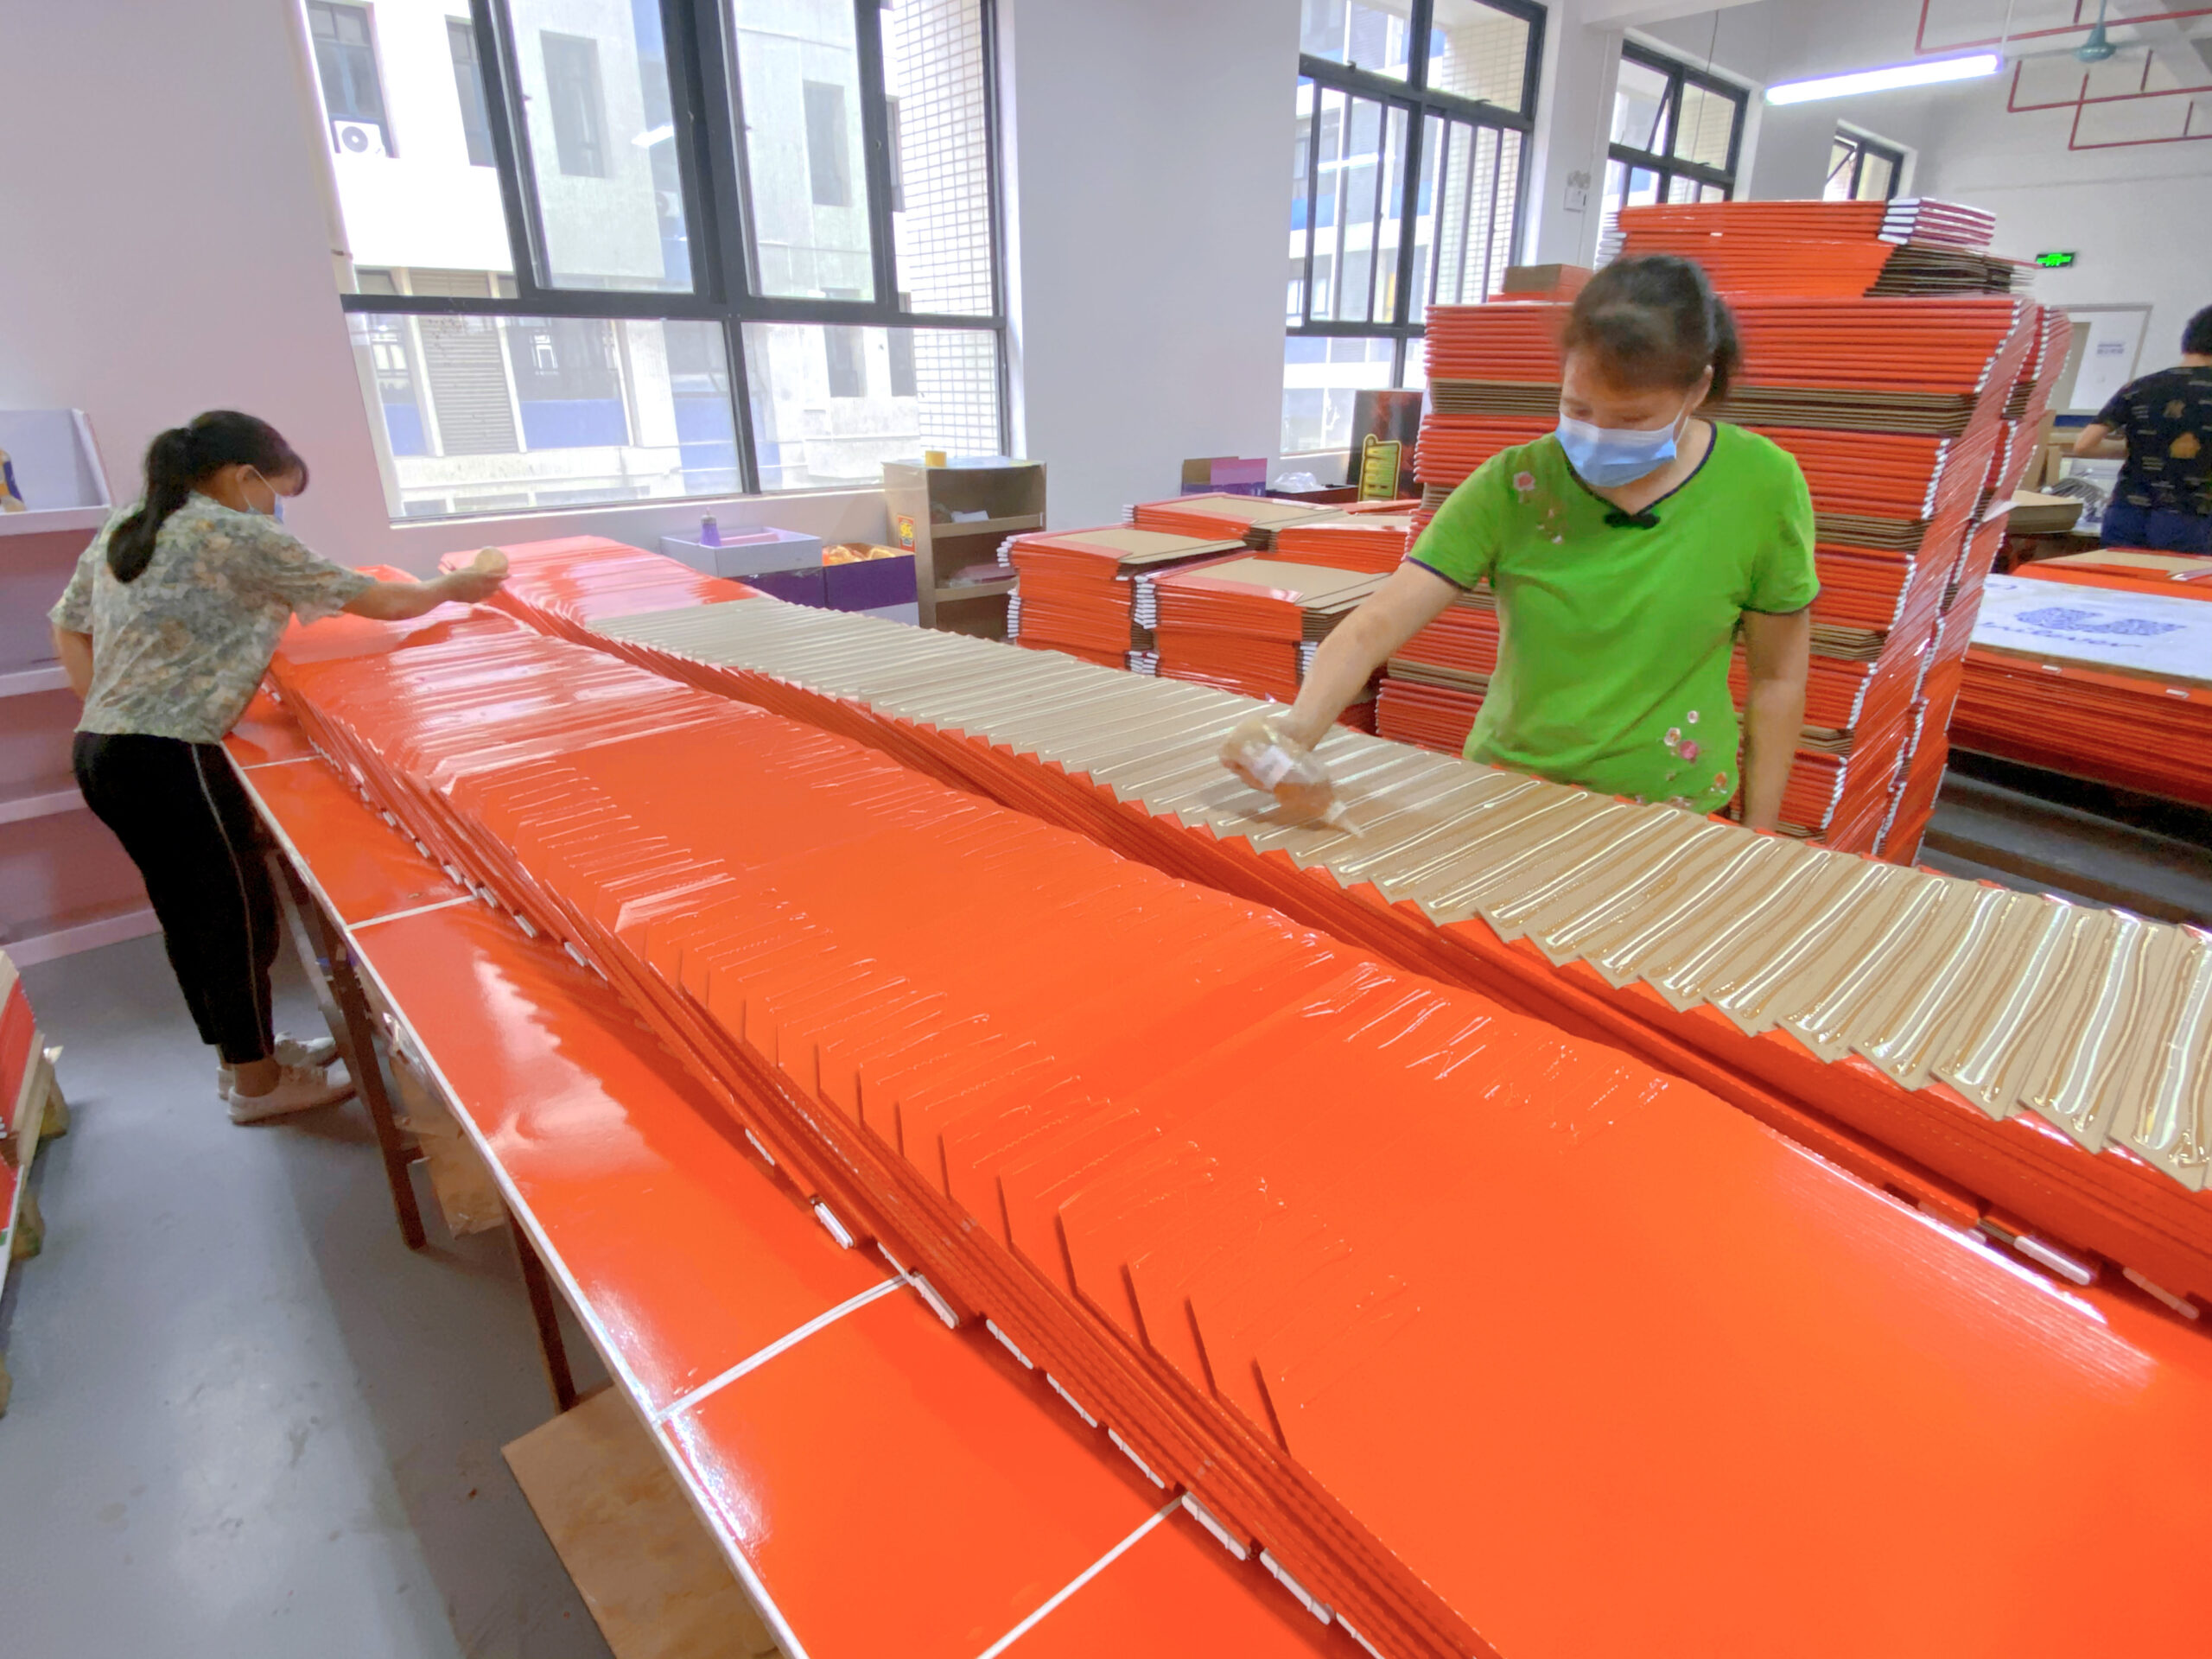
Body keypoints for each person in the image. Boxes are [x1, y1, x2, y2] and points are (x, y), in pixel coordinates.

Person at [1224, 255, 1815, 831]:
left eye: (1633, 419)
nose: (1600, 433)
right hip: (1512, 795)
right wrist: (1294, 736)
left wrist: (1759, 838)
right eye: (1578, 408)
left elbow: (1778, 679)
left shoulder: (1761, 486)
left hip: (1676, 812)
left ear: (1698, 389)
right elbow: (1375, 623)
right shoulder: (1517, 486)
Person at [48, 410, 506, 1123]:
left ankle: (245, 1059)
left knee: (189, 914)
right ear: (244, 478)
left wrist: (108, 702)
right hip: (173, 758)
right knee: (233, 918)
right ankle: (258, 1089)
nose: (276, 510)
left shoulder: (129, 521)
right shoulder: (236, 532)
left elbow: (67, 621)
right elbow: (380, 599)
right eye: (277, 493)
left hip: (105, 750)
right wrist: (457, 585)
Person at [2071, 304, 2212, 555]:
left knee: (2116, 588)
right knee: (2176, 592)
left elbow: (2084, 445)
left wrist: (2138, 447)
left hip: (2125, 514)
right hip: (2190, 518)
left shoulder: (2139, 387)